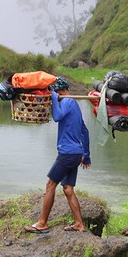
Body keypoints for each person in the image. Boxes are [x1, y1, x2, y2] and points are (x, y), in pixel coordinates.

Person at [26, 88, 91, 234]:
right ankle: (79, 224)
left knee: (50, 184)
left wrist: (54, 98)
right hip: (76, 153)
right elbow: (84, 131)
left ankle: (42, 223)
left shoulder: (67, 101)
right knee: (68, 188)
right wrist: (86, 155)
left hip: (67, 153)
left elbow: (57, 116)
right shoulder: (75, 105)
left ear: (61, 91)